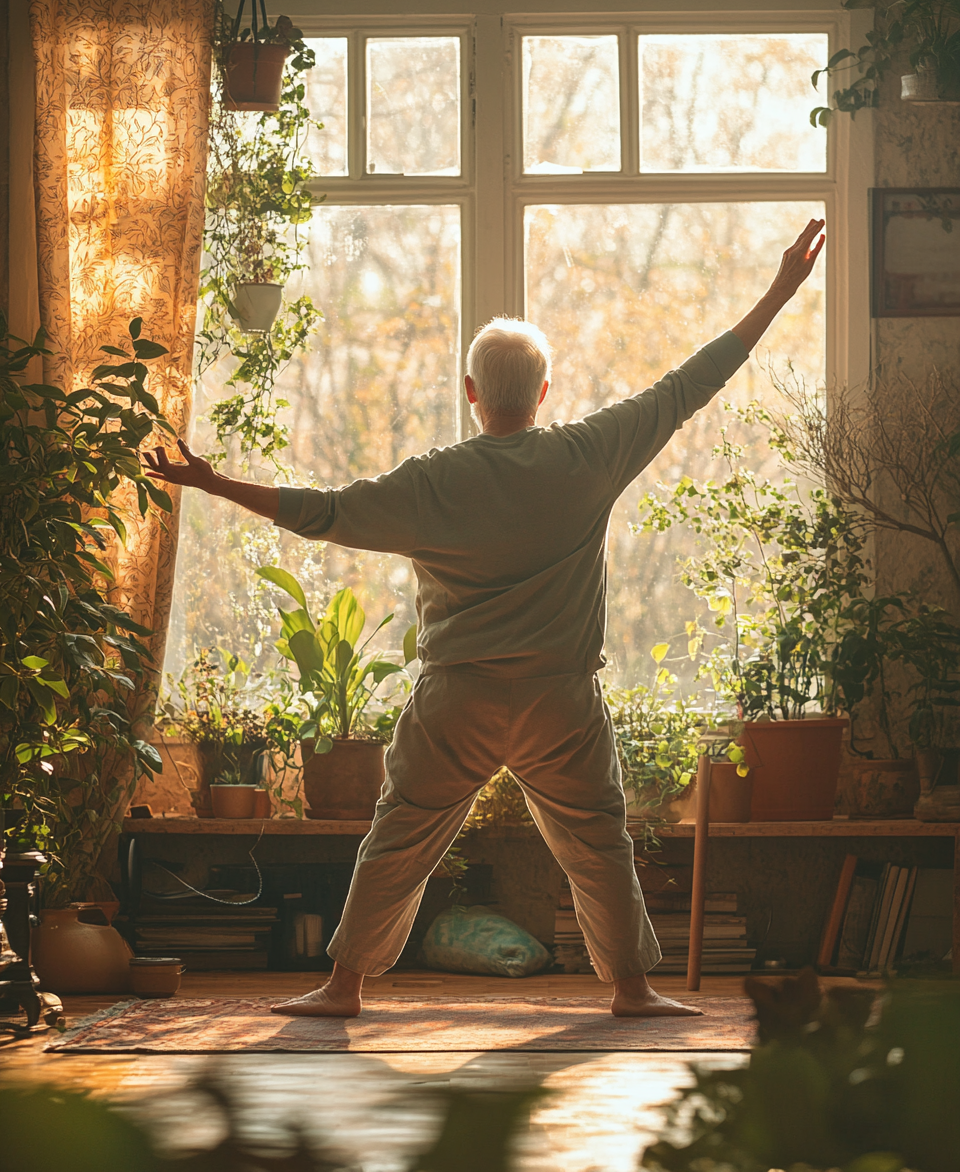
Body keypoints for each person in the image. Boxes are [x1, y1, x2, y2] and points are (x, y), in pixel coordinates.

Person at [146, 219, 825, 1019]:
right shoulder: (588, 454)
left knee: (399, 836)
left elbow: (320, 512)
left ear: (471, 393)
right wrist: (779, 289)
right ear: (543, 392)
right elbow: (688, 385)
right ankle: (634, 990)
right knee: (597, 844)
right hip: (558, 699)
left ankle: (343, 986)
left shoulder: (431, 482)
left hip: (457, 699)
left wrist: (215, 482)